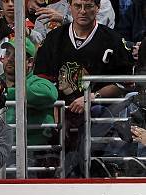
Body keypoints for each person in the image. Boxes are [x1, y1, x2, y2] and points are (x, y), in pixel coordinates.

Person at [33, 0, 133, 176]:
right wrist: (55, 107)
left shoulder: (113, 40)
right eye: (77, 6)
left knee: (92, 169)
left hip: (98, 120)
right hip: (59, 116)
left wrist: (92, 97)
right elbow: (42, 79)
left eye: (88, 6)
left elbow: (123, 83)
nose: (83, 11)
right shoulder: (55, 38)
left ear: (98, 7)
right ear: (69, 6)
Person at [1, 39, 59, 173]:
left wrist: (4, 94)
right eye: (8, 54)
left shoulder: (38, 83)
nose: (10, 59)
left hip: (31, 154)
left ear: (30, 62)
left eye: (16, 55)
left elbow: (49, 95)